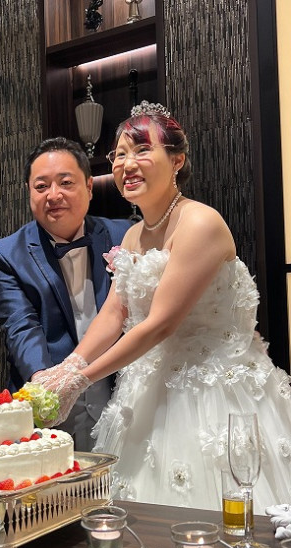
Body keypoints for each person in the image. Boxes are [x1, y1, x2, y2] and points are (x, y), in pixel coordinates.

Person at [35, 101, 291, 513]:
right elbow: (115, 313)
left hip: (215, 394)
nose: (126, 164)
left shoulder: (200, 223)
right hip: (150, 391)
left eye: (142, 150)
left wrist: (79, 380)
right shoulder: (133, 235)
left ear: (177, 160)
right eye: (119, 154)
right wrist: (68, 366)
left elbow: (159, 324)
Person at [0, 137, 133, 450]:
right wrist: (46, 385)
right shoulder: (6, 254)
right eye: (41, 186)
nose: (54, 195)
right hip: (51, 417)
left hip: (125, 404)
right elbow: (20, 325)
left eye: (66, 182)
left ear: (89, 187)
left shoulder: (127, 235)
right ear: (29, 191)